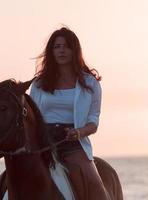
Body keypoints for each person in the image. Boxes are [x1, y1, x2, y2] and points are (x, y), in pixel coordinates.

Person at [30, 27, 110, 200]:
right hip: (42, 143)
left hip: (72, 142)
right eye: (57, 46)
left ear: (75, 51)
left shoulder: (90, 84)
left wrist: (79, 132)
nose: (61, 50)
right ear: (51, 51)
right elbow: (32, 118)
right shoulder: (38, 84)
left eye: (66, 46)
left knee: (94, 185)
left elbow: (93, 121)